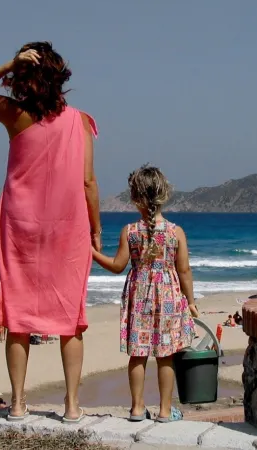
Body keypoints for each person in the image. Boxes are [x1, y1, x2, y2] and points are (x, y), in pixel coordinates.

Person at [0, 42, 101, 423]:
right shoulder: (80, 122)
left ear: (22, 78)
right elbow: (88, 182)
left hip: (19, 229)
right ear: (60, 77)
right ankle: (72, 406)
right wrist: (96, 230)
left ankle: (17, 403)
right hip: (68, 229)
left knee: (18, 314)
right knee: (70, 317)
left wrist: (8, 63)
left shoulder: (15, 115)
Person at [92, 165, 198, 423]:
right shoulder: (176, 232)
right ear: (164, 194)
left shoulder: (130, 231)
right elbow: (183, 271)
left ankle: (137, 409)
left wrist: (91, 253)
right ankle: (164, 411)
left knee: (137, 354)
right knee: (165, 356)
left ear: (135, 197)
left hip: (138, 295)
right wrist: (191, 302)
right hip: (168, 297)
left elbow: (118, 266)